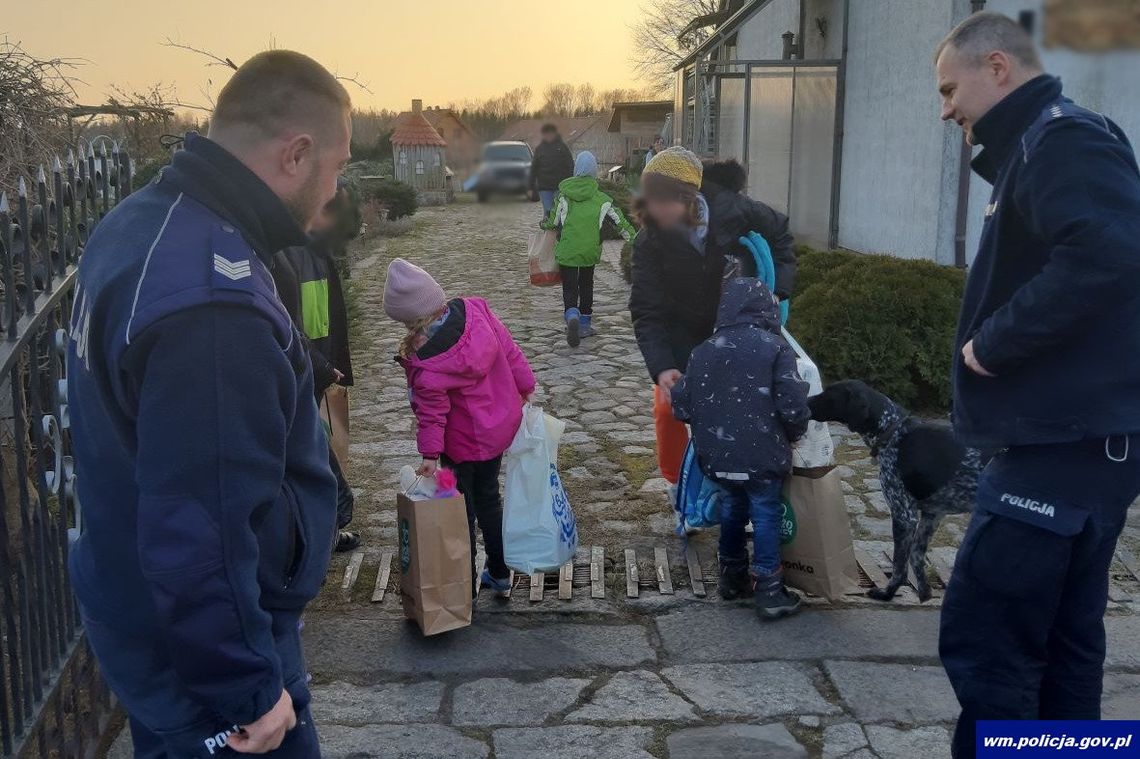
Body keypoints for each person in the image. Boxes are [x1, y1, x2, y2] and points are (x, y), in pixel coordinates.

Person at [66, 51, 351, 757]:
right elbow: (198, 526)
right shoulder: (212, 303)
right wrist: (245, 689)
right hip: (210, 659)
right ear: (297, 153)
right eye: (337, 169)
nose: (335, 192)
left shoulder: (138, 223)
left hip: (150, 626)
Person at [934, 12, 1140, 757]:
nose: (946, 107)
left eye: (951, 88)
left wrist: (993, 342)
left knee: (991, 642)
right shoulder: (1044, 143)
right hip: (1080, 444)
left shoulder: (1062, 139)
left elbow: (1110, 252)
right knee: (1062, 640)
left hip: (1059, 448)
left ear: (998, 68)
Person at [629, 147, 795, 499]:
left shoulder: (734, 210)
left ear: (689, 198)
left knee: (743, 405)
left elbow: (780, 232)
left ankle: (742, 483)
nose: (654, 211)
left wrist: (779, 290)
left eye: (663, 201)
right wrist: (662, 367)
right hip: (680, 328)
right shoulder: (649, 241)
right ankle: (679, 487)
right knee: (668, 404)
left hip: (736, 326)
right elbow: (647, 311)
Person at [384, 258, 537, 599]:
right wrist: (525, 387)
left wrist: (429, 454)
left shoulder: (427, 363)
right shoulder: (476, 310)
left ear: (409, 319)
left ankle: (462, 583)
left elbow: (432, 413)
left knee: (461, 511)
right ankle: (499, 573)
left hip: (461, 444)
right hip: (497, 431)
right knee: (490, 500)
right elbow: (511, 352)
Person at [671, 277, 809, 618]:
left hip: (717, 455)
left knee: (732, 505)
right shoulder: (776, 348)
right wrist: (795, 432)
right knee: (765, 512)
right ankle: (770, 589)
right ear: (767, 309)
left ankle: (732, 577)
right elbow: (791, 402)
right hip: (762, 451)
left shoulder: (703, 350)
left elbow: (682, 405)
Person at [274, 178, 361, 553]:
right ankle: (330, 520)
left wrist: (332, 362)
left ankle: (329, 522)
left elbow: (328, 311)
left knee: (314, 443)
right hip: (299, 367)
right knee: (308, 448)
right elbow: (285, 324)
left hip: (315, 364)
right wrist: (321, 365)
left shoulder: (314, 248)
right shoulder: (285, 251)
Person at [542, 150, 636, 346]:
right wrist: (635, 239)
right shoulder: (602, 199)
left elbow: (553, 221)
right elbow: (620, 222)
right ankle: (585, 323)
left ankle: (571, 315)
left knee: (569, 287)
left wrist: (544, 225)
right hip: (589, 252)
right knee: (586, 285)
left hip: (567, 251)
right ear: (594, 172)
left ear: (576, 170)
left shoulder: (564, 196)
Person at [529, 123, 574, 216]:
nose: (548, 136)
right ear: (544, 135)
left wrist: (570, 183)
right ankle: (548, 229)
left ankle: (558, 229)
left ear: (554, 134)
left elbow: (570, 165)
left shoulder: (562, 147)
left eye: (550, 134)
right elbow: (534, 169)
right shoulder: (540, 149)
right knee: (548, 211)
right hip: (544, 188)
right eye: (546, 134)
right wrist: (531, 186)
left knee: (559, 210)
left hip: (560, 187)